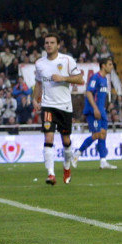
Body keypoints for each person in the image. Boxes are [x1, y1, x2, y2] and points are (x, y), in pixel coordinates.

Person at [33, 32, 84, 185]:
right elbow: (39, 83)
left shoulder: (67, 60)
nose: (49, 45)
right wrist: (35, 99)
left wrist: (63, 78)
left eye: (52, 42)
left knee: (66, 140)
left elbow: (80, 79)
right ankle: (51, 174)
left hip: (65, 107)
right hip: (48, 106)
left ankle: (67, 167)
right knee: (48, 137)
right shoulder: (40, 63)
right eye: (47, 42)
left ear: (58, 45)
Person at [72, 56, 117, 170]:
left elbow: (101, 96)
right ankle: (76, 154)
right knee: (97, 134)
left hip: (101, 110)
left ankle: (103, 161)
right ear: (103, 65)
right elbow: (89, 92)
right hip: (93, 111)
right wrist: (95, 108)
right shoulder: (95, 77)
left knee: (103, 135)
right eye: (110, 64)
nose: (111, 66)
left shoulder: (104, 79)